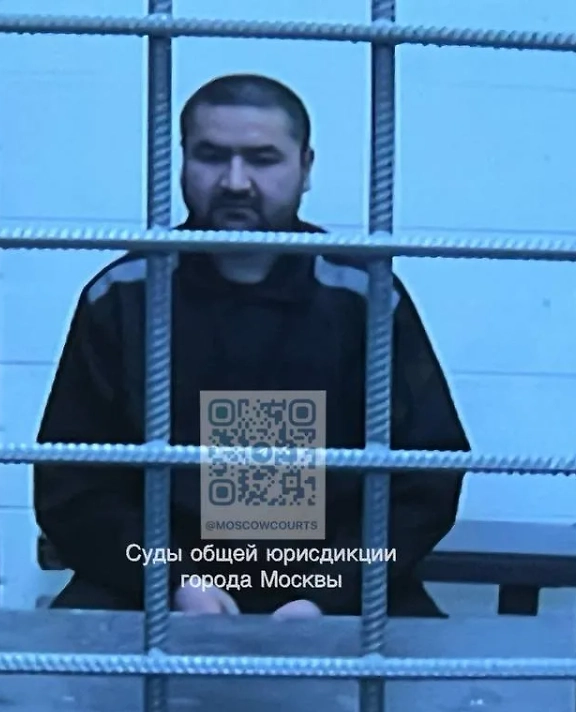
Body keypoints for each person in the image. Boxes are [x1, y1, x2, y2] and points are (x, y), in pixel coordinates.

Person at [33, 73, 470, 619]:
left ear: (306, 168)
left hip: (336, 585)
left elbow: (427, 475)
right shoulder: (124, 295)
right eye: (212, 156)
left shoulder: (363, 296)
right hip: (154, 582)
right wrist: (173, 582)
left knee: (430, 670)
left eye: (263, 160)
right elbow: (72, 484)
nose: (235, 182)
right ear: (182, 161)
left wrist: (328, 595)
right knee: (62, 663)